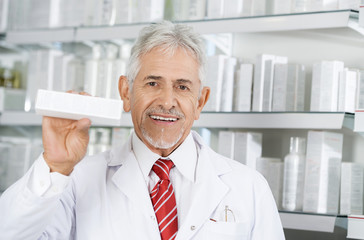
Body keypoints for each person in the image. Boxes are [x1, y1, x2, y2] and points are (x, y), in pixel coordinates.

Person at [0, 21, 285, 240]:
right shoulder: (77, 182)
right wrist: (55, 166)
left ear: (200, 102)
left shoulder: (249, 188)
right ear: (126, 92)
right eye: (152, 83)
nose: (166, 101)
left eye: (182, 87)